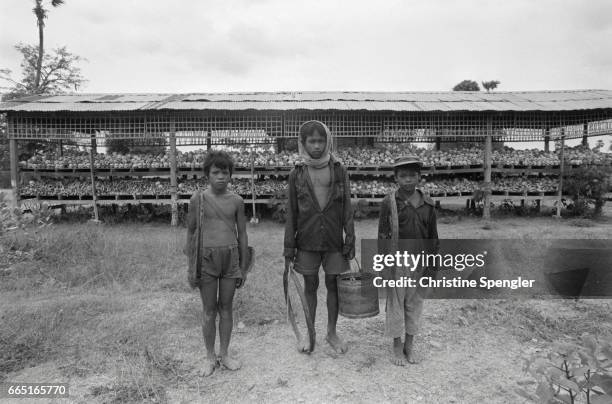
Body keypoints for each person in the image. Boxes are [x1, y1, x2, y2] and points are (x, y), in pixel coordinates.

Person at [284, 120, 356, 354]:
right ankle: (309, 332)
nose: (316, 145)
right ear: (303, 144)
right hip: (307, 239)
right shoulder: (297, 173)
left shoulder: (338, 169)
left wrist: (350, 237)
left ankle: (332, 333)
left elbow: (346, 206)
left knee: (334, 285)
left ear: (328, 141)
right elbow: (292, 212)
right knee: (310, 285)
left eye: (320, 140)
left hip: (334, 239)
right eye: (311, 141)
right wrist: (289, 248)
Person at [185, 150, 249, 376]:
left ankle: (225, 354)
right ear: (207, 175)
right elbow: (191, 231)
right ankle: (209, 356)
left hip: (231, 260)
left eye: (225, 172)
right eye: (215, 172)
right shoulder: (198, 199)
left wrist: (243, 266)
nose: (221, 177)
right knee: (209, 310)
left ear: (231, 175)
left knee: (226, 307)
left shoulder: (237, 201)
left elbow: (242, 234)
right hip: (206, 260)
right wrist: (192, 264)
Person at [378, 155, 439, 366]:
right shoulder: (389, 202)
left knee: (415, 304)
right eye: (403, 175)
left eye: (412, 175)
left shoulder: (428, 204)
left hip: (420, 263)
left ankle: (409, 345)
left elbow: (433, 237)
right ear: (396, 178)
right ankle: (396, 345)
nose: (408, 180)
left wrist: (433, 266)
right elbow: (383, 235)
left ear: (419, 177)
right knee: (395, 304)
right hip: (397, 262)